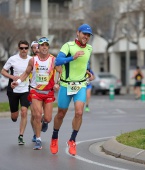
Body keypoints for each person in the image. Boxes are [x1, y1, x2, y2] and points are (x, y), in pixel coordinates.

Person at [50, 23, 93, 156]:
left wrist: (88, 72)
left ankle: (72, 140)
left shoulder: (89, 48)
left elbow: (83, 64)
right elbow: (58, 61)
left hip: (81, 84)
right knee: (61, 113)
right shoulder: (68, 46)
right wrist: (72, 57)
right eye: (84, 34)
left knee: (79, 112)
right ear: (78, 33)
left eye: (88, 35)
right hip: (66, 84)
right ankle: (54, 137)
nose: (86, 36)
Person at [11, 37, 61, 150]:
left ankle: (45, 121)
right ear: (38, 47)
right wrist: (17, 82)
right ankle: (38, 140)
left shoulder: (54, 60)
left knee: (47, 118)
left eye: (46, 45)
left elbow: (60, 72)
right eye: (42, 45)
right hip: (35, 91)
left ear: (48, 47)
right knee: (37, 115)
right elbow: (26, 73)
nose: (44, 47)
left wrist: (57, 83)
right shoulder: (33, 60)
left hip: (48, 92)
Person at [1, 40, 31, 145]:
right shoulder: (12, 59)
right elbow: (3, 71)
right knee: (14, 116)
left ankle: (21, 136)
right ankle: (14, 115)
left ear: (28, 49)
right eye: (22, 48)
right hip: (13, 90)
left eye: (26, 48)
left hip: (26, 89)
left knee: (24, 111)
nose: (24, 50)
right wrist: (12, 76)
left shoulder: (31, 60)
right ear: (19, 48)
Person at [30, 41, 39, 142]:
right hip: (32, 89)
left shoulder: (47, 59)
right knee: (34, 114)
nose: (36, 49)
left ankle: (44, 123)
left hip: (45, 90)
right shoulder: (30, 60)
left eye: (38, 47)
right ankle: (35, 134)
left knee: (46, 116)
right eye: (34, 47)